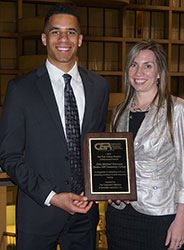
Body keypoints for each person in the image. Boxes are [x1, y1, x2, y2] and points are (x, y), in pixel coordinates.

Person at [0, 3, 109, 250]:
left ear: (80, 39)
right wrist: (51, 196)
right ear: (44, 38)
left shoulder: (99, 87)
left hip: (85, 214)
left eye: (71, 32)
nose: (63, 39)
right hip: (39, 213)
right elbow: (9, 155)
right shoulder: (20, 89)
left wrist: (108, 184)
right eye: (55, 31)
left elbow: (96, 148)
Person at [105, 40, 184, 250]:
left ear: (159, 72)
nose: (139, 72)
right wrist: (110, 188)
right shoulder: (120, 111)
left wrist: (181, 220)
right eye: (134, 64)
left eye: (148, 65)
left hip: (161, 217)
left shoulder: (178, 110)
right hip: (120, 216)